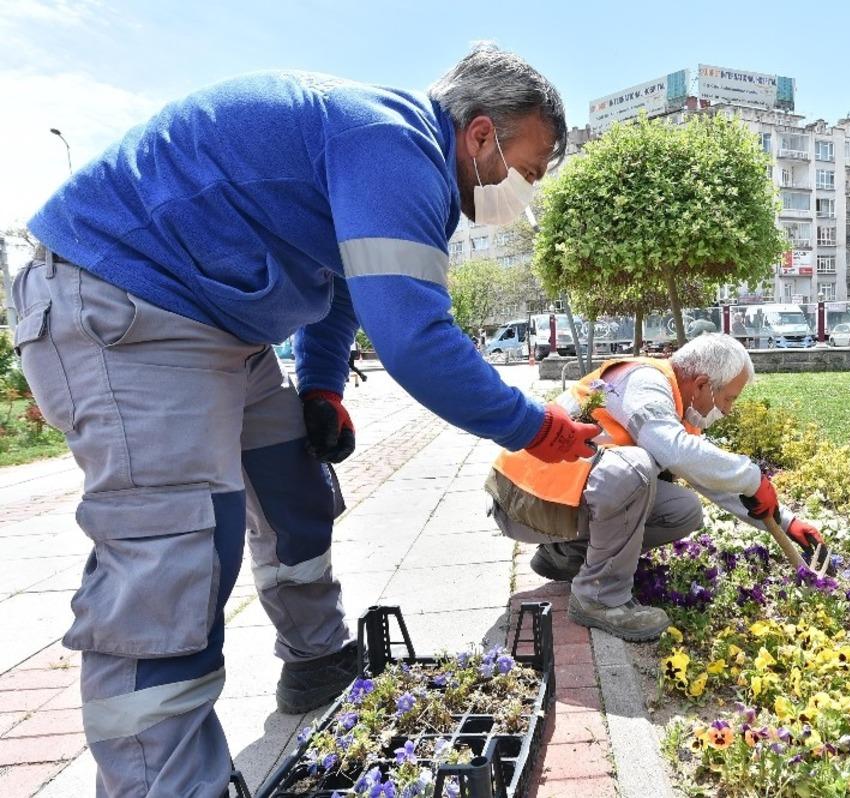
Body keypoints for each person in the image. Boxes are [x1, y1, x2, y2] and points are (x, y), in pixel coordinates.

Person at [12, 44, 599, 797]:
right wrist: (539, 429)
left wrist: (322, 388)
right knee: (175, 552)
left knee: (294, 488)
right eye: (532, 167)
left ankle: (317, 658)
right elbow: (417, 341)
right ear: (481, 134)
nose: (529, 190)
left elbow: (344, 287)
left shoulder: (389, 151)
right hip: (126, 301)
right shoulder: (394, 145)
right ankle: (165, 782)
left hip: (220, 323)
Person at [485, 334, 830, 642]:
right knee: (636, 468)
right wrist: (753, 476)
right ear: (702, 384)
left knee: (682, 510)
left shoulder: (677, 409)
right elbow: (674, 450)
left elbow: (708, 478)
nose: (728, 411)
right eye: (728, 399)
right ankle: (599, 598)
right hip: (522, 501)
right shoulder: (644, 382)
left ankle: (565, 558)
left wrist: (785, 521)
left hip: (557, 503)